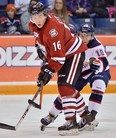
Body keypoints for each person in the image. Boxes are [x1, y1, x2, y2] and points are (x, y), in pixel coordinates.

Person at [28, 2, 91, 136]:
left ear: (45, 15)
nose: (37, 20)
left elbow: (59, 57)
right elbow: (44, 47)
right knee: (67, 88)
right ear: (30, 18)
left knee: (65, 87)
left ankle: (71, 123)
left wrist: (48, 71)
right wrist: (44, 67)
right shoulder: (34, 25)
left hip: (73, 53)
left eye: (40, 16)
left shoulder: (53, 30)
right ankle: (87, 117)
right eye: (34, 17)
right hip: (65, 54)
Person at [40, 24, 111, 131]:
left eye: (87, 36)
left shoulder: (96, 45)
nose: (84, 38)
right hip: (82, 72)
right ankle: (51, 115)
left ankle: (89, 117)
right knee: (67, 92)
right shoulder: (74, 43)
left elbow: (104, 63)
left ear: (92, 36)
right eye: (81, 35)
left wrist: (98, 64)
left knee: (99, 85)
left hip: (97, 71)